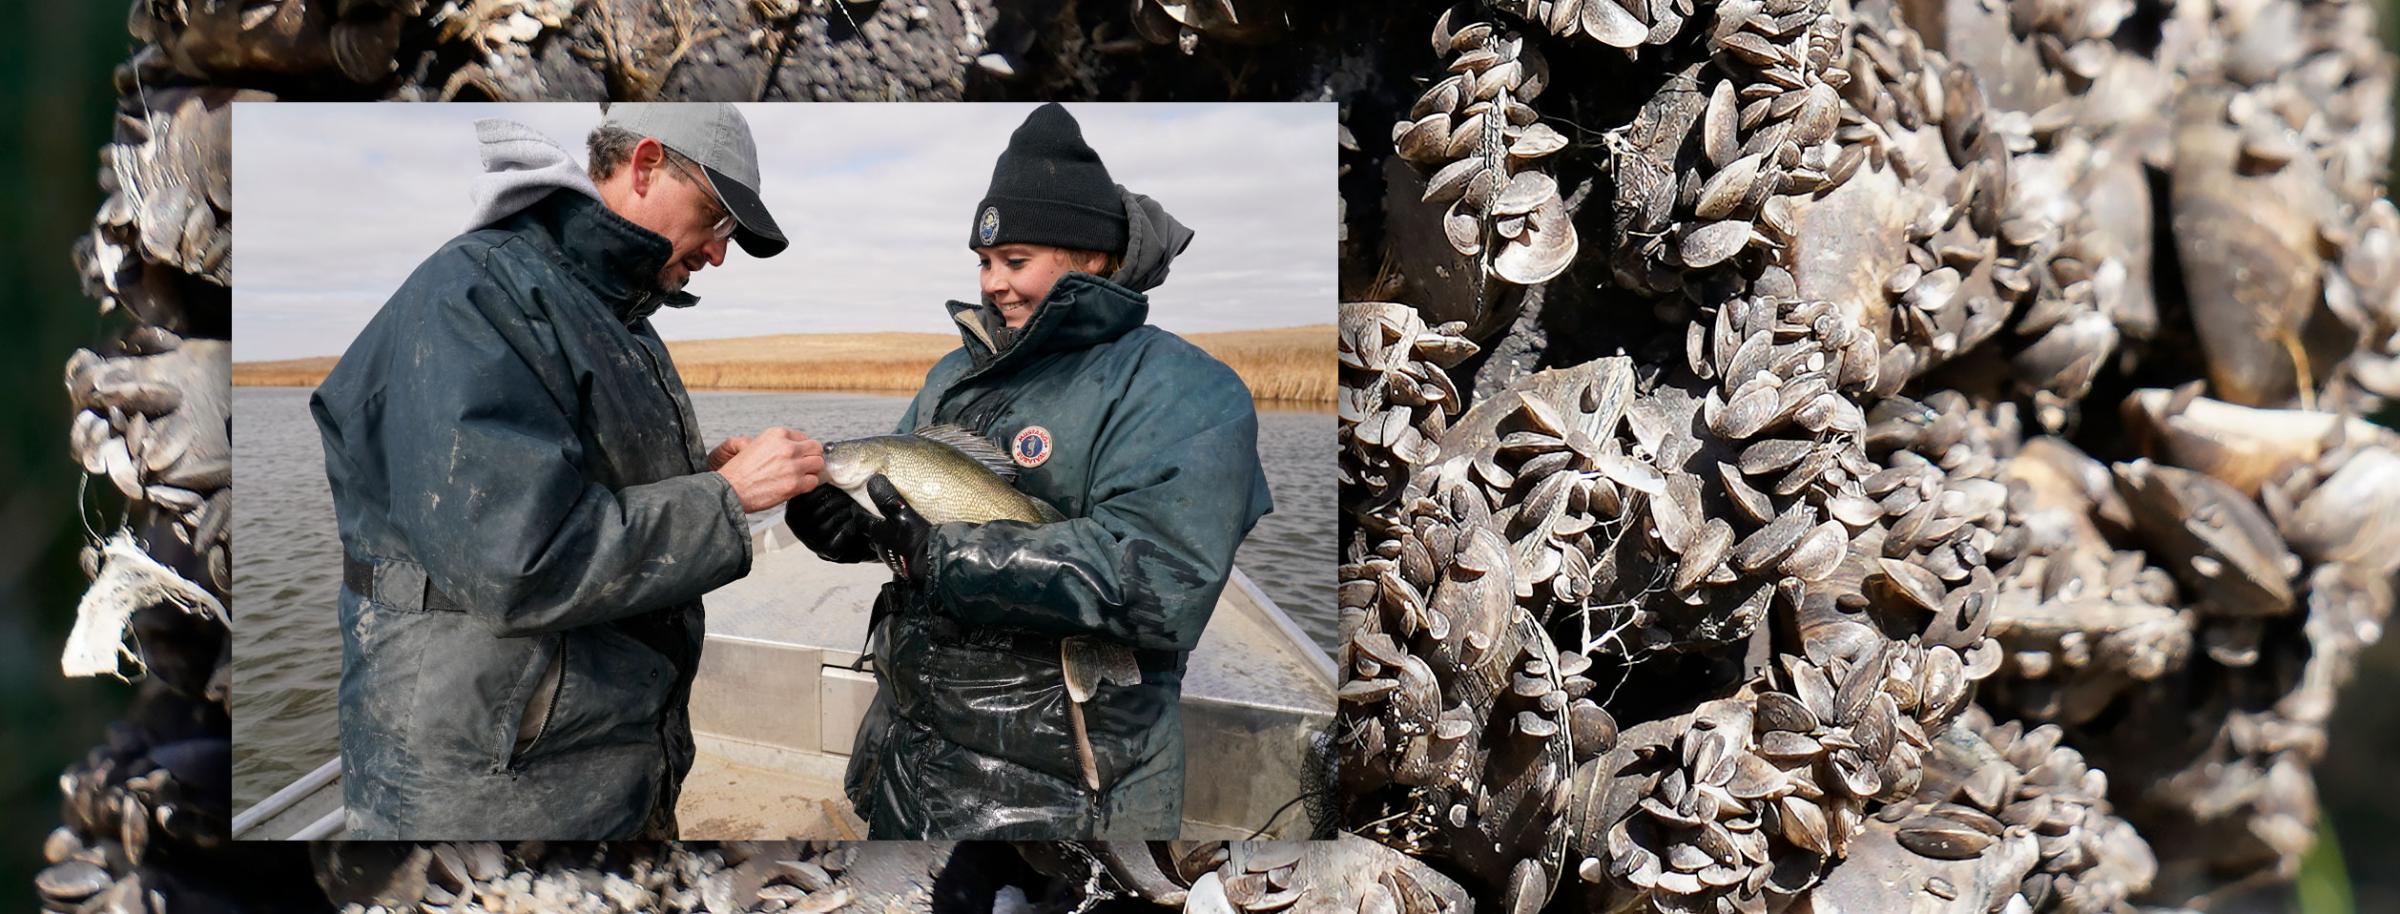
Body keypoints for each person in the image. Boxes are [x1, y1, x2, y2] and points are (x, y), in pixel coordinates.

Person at [310, 103, 825, 839]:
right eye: (714, 219)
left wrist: (704, 478)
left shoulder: (612, 312)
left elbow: (580, 492)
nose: (719, 253)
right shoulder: (477, 296)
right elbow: (518, 562)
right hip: (489, 786)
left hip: (591, 761)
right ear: (644, 164)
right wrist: (723, 499)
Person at [780, 102, 1274, 839]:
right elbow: (908, 514)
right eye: (983, 262)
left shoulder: (1181, 388)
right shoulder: (956, 373)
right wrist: (849, 526)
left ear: (1094, 258)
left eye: (1016, 261)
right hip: (912, 759)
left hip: (1065, 788)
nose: (993, 284)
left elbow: (1163, 575)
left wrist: (945, 552)